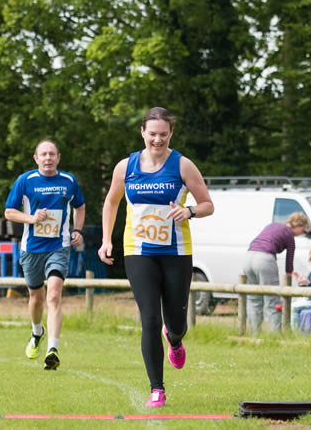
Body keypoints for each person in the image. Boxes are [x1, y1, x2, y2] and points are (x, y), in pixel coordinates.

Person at [97, 107, 214, 408]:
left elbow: (207, 204)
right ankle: (157, 389)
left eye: (163, 135)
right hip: (138, 251)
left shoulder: (183, 165)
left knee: (175, 321)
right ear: (142, 133)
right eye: (152, 135)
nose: (157, 140)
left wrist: (188, 211)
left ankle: (174, 339)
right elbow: (111, 202)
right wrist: (106, 239)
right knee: (148, 317)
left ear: (170, 134)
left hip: (175, 252)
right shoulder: (127, 166)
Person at [4, 139, 85, 371]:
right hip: (31, 249)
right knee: (36, 298)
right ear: (36, 158)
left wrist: (77, 230)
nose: (48, 158)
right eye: (44, 154)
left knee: (54, 296)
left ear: (58, 157)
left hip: (59, 246)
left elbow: (80, 206)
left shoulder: (69, 181)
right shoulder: (25, 181)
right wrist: (31, 218)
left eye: (52, 154)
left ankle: (53, 349)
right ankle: (37, 331)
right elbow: (9, 212)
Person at [243, 212, 311, 334]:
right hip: (264, 259)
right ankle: (276, 335)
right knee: (272, 299)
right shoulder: (289, 235)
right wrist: (290, 277)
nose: (302, 234)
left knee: (253, 299)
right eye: (303, 231)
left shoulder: (271, 225)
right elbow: (289, 261)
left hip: (248, 257)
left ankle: (254, 334)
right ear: (300, 226)